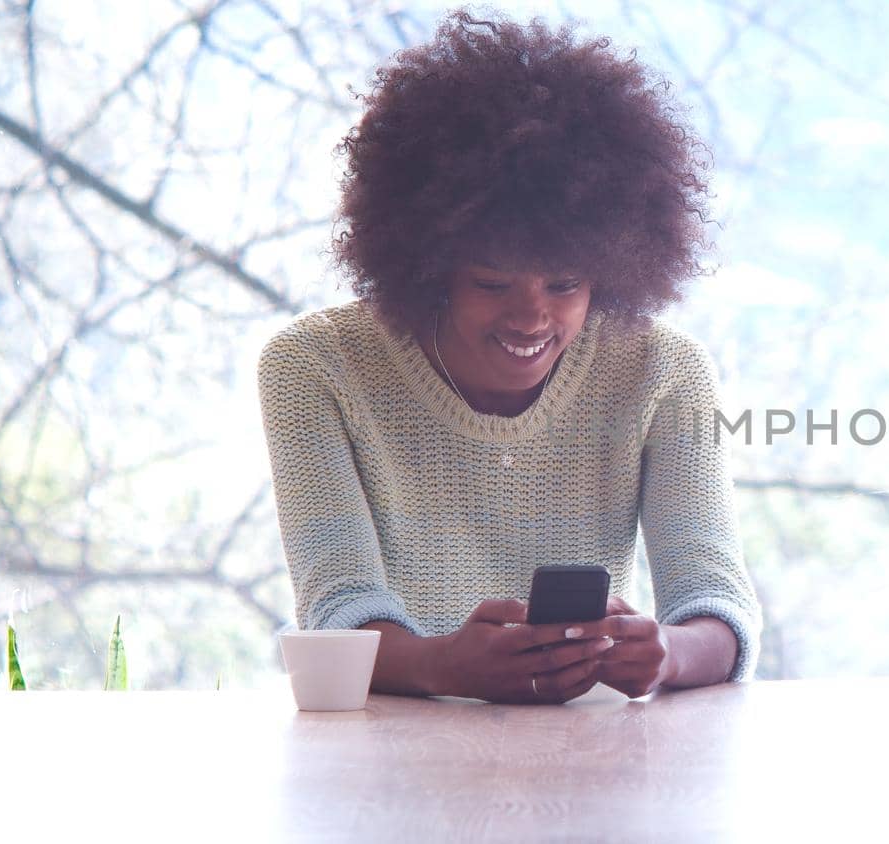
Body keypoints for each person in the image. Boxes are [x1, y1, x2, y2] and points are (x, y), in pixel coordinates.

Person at [256, 10, 760, 704]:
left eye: (565, 284)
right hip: (394, 766)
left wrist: (669, 652)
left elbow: (716, 603)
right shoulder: (315, 367)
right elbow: (337, 605)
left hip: (599, 760)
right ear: (430, 268)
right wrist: (439, 665)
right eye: (492, 284)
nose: (532, 317)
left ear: (611, 272)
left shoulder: (662, 372)